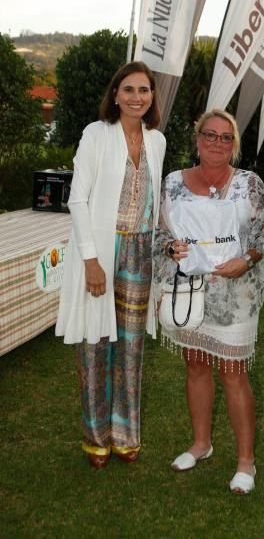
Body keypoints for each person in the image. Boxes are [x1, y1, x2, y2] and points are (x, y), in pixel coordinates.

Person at [56, 61, 166, 469]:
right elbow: (78, 198)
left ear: (152, 96)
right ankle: (95, 437)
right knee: (94, 346)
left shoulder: (157, 140)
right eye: (129, 89)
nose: (137, 97)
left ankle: (125, 433)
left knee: (131, 348)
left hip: (140, 254)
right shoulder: (96, 134)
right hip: (101, 252)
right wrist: (91, 260)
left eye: (144, 90)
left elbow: (154, 204)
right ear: (115, 95)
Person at [153, 109, 264, 495]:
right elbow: (157, 233)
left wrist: (247, 260)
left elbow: (262, 238)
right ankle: (201, 443)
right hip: (189, 291)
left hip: (234, 295)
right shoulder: (172, 183)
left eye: (225, 137)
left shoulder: (250, 184)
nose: (217, 143)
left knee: (233, 373)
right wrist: (171, 247)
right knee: (195, 364)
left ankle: (245, 461)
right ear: (197, 138)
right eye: (210, 135)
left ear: (233, 143)